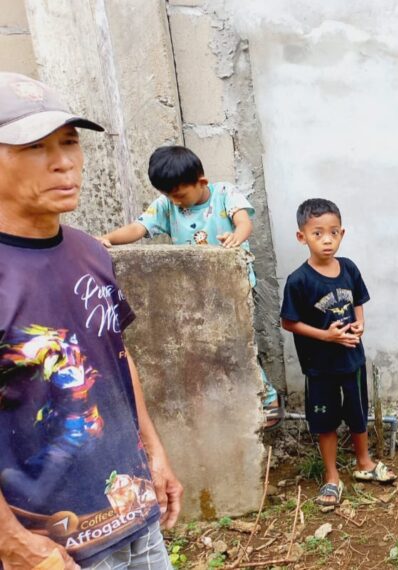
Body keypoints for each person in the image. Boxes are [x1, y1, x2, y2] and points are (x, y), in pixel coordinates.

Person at [0, 71, 182, 569]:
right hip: (51, 545)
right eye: (35, 147)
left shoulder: (89, 252)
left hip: (132, 511)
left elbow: (116, 355)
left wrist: (153, 451)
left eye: (70, 142)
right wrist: (12, 542)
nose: (64, 163)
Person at [99, 146, 281, 428]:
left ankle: (267, 398)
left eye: (180, 194)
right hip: (191, 293)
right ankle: (217, 404)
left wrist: (236, 236)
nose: (176, 201)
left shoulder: (224, 193)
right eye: (169, 195)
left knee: (237, 342)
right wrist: (106, 238)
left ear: (202, 182)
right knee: (204, 350)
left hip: (232, 289)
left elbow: (244, 222)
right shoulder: (166, 205)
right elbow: (138, 228)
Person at [281, 198, 395, 512]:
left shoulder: (349, 268)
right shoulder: (298, 281)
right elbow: (288, 322)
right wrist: (325, 335)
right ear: (301, 237)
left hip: (351, 361)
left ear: (342, 233)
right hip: (320, 368)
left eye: (333, 232)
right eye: (318, 233)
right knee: (325, 422)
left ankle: (365, 462)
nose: (327, 239)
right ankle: (332, 476)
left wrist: (361, 324)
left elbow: (358, 300)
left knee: (358, 414)